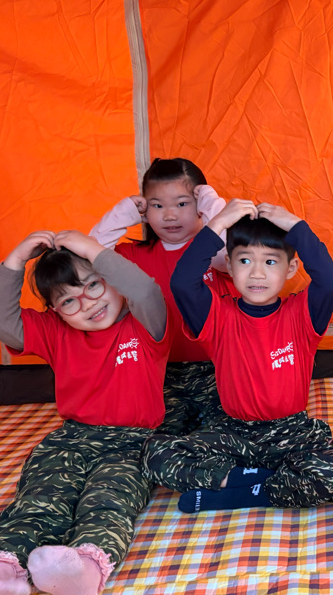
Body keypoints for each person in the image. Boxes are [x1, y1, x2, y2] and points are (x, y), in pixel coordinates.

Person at [0, 230, 169, 595]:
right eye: (69, 301)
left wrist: (91, 249)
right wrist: (16, 258)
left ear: (113, 281)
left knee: (109, 501)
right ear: (56, 312)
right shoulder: (56, 332)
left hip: (133, 442)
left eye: (94, 285)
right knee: (39, 499)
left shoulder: (145, 325)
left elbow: (144, 290)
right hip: (71, 438)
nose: (88, 302)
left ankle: (81, 574)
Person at [141, 200, 333, 512]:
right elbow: (182, 282)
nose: (256, 273)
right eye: (244, 260)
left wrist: (296, 227)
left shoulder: (302, 314)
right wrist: (218, 224)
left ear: (291, 268)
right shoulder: (217, 316)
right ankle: (259, 481)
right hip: (233, 431)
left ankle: (241, 493)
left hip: (290, 432)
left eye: (270, 262)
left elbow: (330, 281)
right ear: (229, 264)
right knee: (154, 453)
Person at [89, 158, 236, 434]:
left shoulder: (215, 254)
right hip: (160, 373)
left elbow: (230, 250)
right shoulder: (133, 257)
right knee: (154, 433)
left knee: (230, 429)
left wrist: (212, 205)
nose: (169, 216)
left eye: (182, 204)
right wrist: (122, 214)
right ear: (144, 210)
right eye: (157, 206)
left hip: (221, 369)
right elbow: (89, 258)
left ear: (200, 205)